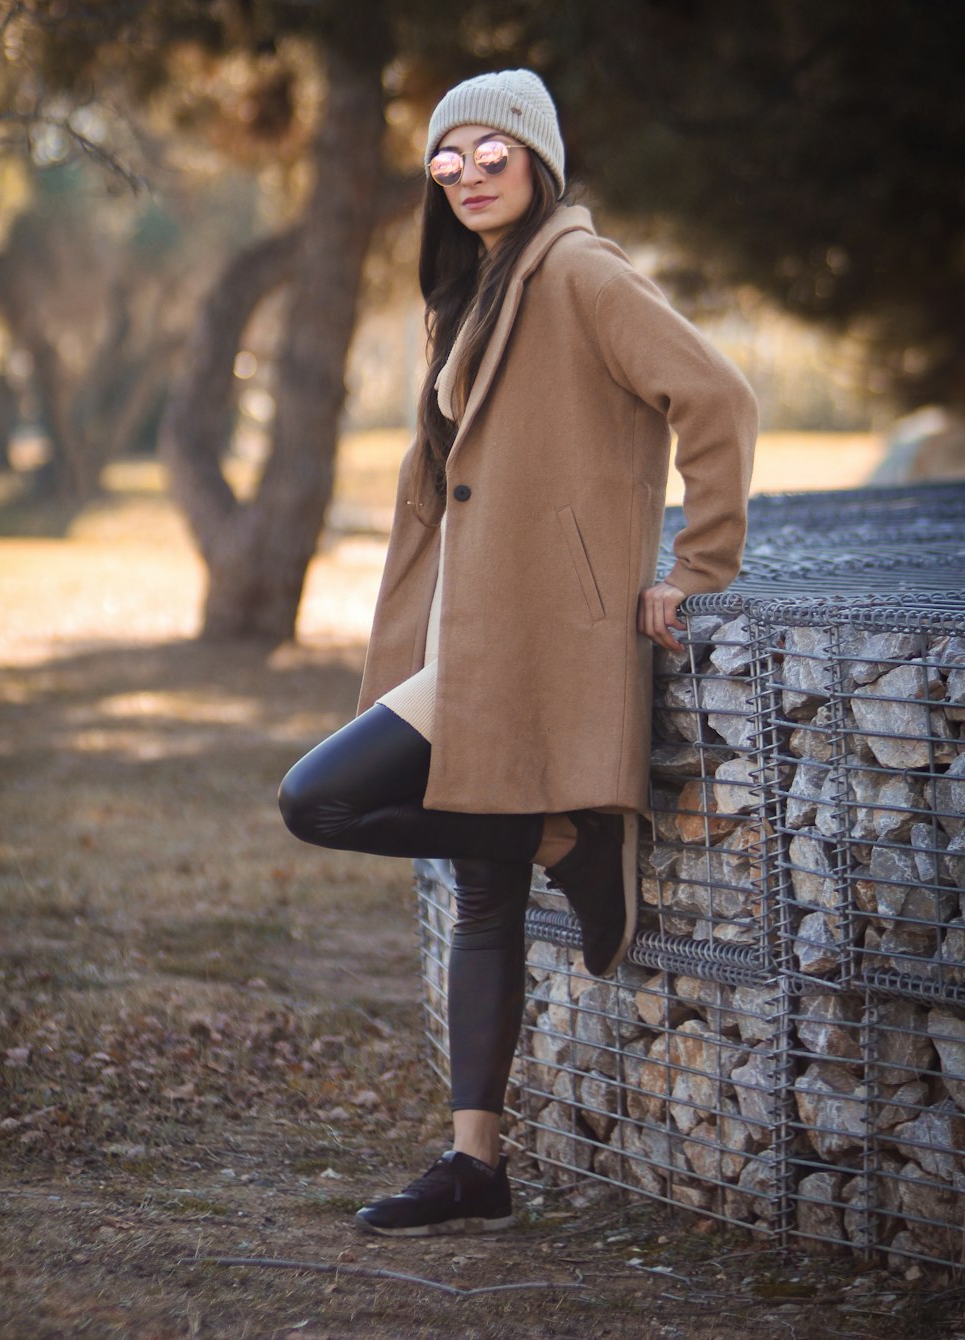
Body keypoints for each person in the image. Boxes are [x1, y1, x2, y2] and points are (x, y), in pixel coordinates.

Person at [278, 69, 758, 1237]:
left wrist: (696, 567)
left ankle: (563, 835)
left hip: (532, 634)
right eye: (448, 158)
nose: (468, 172)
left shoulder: (581, 272)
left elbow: (718, 399)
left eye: (491, 150)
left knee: (318, 800)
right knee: (481, 898)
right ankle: (474, 1164)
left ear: (537, 155)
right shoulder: (476, 286)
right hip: (465, 621)